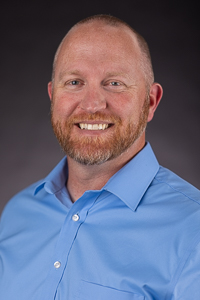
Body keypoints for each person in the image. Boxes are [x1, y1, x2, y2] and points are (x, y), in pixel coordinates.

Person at [0, 14, 200, 300]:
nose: (92, 104)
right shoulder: (17, 214)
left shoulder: (194, 230)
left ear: (150, 102)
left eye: (115, 83)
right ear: (52, 96)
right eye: (74, 82)